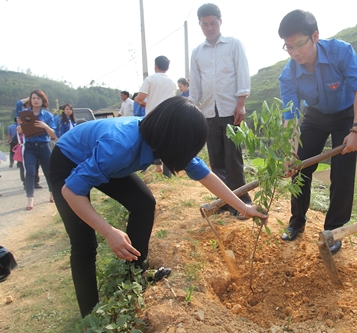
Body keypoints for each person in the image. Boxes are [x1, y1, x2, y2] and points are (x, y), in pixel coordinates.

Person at [48, 96, 267, 317]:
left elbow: (207, 176)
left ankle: (134, 274)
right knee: (84, 243)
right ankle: (90, 317)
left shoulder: (163, 140)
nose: (187, 156)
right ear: (174, 139)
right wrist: (108, 231)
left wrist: (244, 207)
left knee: (144, 203)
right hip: (69, 160)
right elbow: (71, 191)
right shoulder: (121, 146)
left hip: (103, 160)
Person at [277, 10, 357, 254]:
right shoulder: (288, 75)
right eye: (288, 47)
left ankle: (334, 230)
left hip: (345, 115)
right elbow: (291, 117)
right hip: (315, 116)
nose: (295, 52)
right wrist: (290, 152)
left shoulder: (341, 52)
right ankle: (296, 221)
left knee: (342, 172)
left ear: (315, 36)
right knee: (299, 168)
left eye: (299, 45)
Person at [189, 3, 252, 218]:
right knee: (216, 159)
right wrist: (193, 109)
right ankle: (225, 201)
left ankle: (242, 201)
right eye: (204, 24)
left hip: (231, 109)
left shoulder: (233, 45)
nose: (209, 28)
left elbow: (242, 74)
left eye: (213, 23)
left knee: (233, 158)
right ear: (200, 25)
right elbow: (195, 85)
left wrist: (241, 103)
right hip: (208, 112)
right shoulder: (197, 52)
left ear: (220, 22)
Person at [17, 90, 57, 209]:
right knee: (30, 172)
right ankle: (30, 199)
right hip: (29, 147)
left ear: (43, 101)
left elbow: (53, 134)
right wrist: (21, 125)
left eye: (38, 98)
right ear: (30, 100)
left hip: (44, 146)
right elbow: (19, 131)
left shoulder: (48, 115)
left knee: (49, 171)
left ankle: (52, 193)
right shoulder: (25, 114)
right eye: (33, 98)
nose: (35, 100)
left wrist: (44, 126)